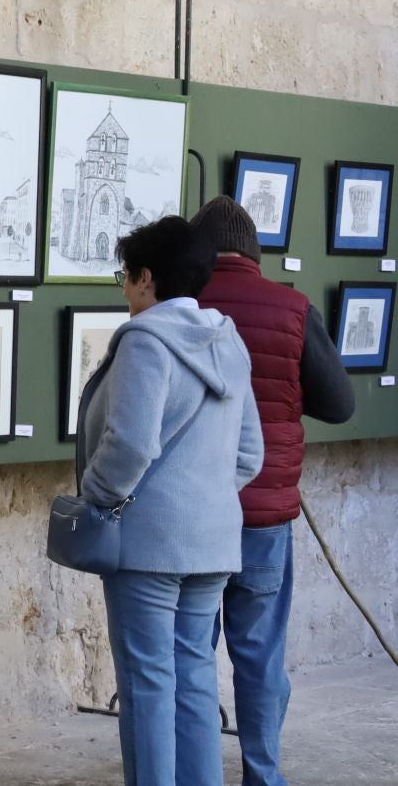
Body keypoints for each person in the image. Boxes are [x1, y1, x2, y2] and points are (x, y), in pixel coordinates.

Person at [78, 216, 264, 786]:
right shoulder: (228, 341)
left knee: (147, 686)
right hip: (213, 541)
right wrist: (202, 496)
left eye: (124, 276)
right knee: (196, 678)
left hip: (147, 546)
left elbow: (130, 443)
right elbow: (250, 454)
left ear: (145, 278)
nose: (126, 288)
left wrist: (98, 497)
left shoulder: (145, 342)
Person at [188, 196, 355, 786]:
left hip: (194, 522)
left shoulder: (185, 308)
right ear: (257, 254)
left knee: (191, 660)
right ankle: (264, 776)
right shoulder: (293, 308)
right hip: (265, 521)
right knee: (260, 661)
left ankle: (196, 774)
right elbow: (339, 403)